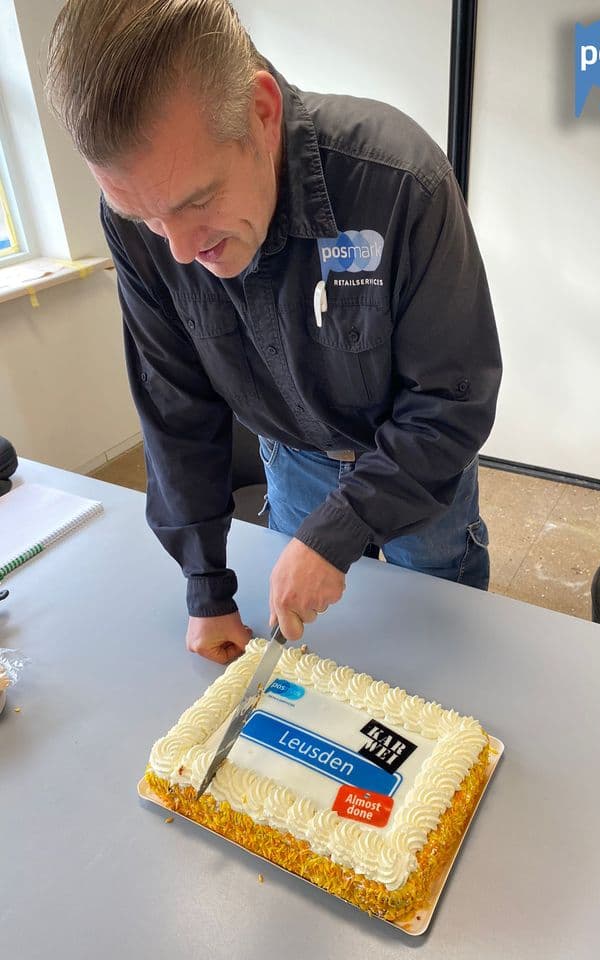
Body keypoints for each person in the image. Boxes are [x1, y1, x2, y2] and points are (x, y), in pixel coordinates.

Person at [46, 0, 502, 662]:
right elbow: (177, 409)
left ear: (261, 115)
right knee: (313, 655)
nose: (177, 250)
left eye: (196, 202)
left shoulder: (401, 182)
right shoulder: (141, 222)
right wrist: (206, 586)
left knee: (440, 653)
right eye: (143, 216)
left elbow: (453, 398)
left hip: (420, 468)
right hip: (294, 459)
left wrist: (341, 529)